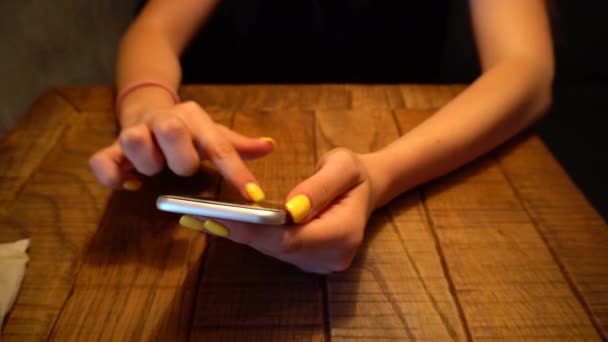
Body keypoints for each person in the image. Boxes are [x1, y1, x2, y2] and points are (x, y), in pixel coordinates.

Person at [89, 0, 554, 274]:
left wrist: (380, 173)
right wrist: (149, 107)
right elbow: (155, 29)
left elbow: (526, 70)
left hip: (415, 149)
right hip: (210, 160)